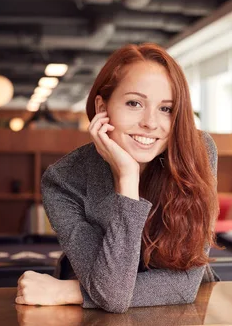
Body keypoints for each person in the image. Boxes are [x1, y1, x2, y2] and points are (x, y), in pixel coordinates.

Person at [15, 43, 219, 313]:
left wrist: (70, 291)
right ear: (102, 106)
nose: (150, 122)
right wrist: (127, 178)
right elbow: (112, 295)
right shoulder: (63, 180)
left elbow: (182, 286)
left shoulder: (197, 151)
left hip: (182, 310)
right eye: (134, 103)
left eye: (166, 109)